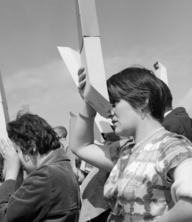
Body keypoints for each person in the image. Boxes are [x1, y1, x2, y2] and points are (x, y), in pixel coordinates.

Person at [71, 66, 192, 222]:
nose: (109, 111)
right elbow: (80, 146)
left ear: (142, 101)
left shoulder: (171, 147)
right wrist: (89, 102)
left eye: (114, 102)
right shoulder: (127, 150)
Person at [0, 112, 80, 222]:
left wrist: (10, 174)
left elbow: (0, 218)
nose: (17, 159)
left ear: (31, 147)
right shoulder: (63, 168)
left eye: (17, 151)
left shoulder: (45, 177)